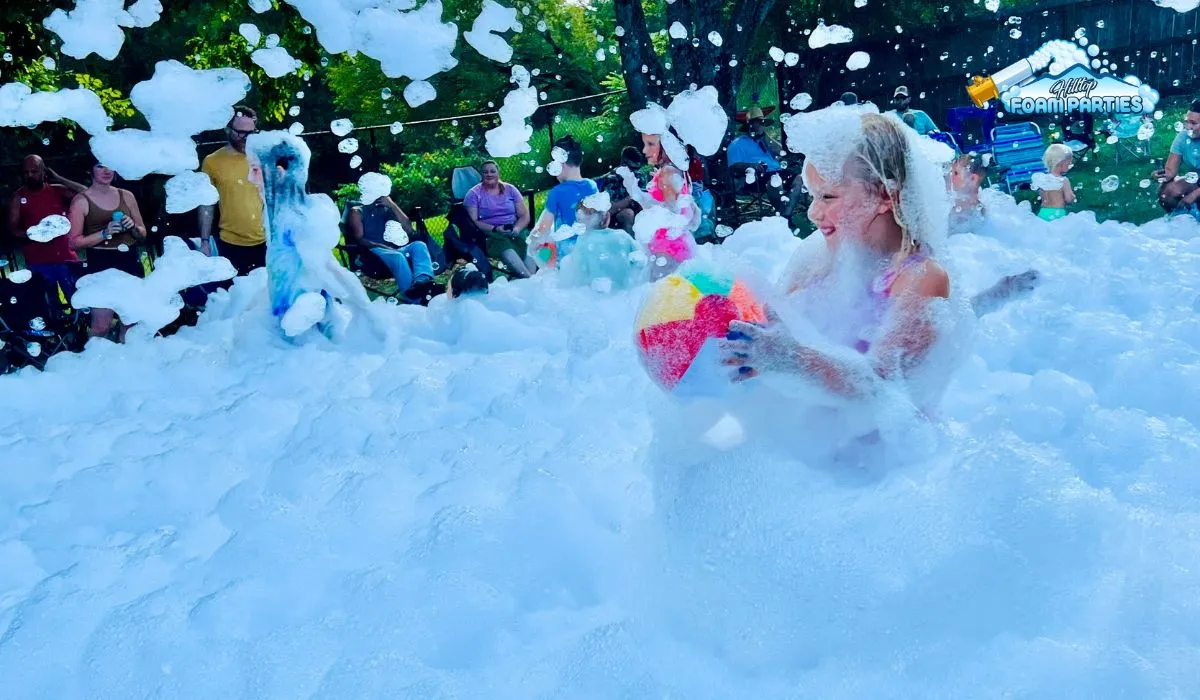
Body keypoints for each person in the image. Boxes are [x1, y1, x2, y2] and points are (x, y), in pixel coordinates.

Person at [718, 110, 954, 405]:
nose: (813, 213)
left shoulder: (921, 277)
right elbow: (774, 321)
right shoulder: (819, 259)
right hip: (806, 428)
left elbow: (882, 389)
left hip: (879, 434)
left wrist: (794, 359)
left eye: (828, 196)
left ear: (884, 196)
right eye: (812, 196)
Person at [66, 160, 149, 341]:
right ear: (91, 170)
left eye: (110, 165)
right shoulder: (81, 201)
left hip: (128, 260)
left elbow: (142, 234)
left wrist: (133, 227)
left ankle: (127, 356)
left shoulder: (126, 196)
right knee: (101, 325)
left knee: (131, 322)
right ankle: (94, 356)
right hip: (100, 263)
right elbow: (73, 242)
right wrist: (104, 233)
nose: (106, 170)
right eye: (100, 166)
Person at [618, 130, 701, 280]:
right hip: (673, 246)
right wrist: (636, 191)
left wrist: (636, 191)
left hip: (668, 249)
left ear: (667, 146)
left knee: (659, 291)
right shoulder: (672, 171)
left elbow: (671, 214)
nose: (644, 150)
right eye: (644, 144)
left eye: (651, 144)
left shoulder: (667, 173)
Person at [199, 105, 267, 276]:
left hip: (266, 242)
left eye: (252, 133)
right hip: (230, 243)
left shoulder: (263, 157)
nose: (247, 138)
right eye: (241, 133)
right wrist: (205, 241)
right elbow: (206, 205)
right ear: (228, 130)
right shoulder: (212, 162)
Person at [7, 155, 86, 300]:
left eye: (34, 171)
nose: (30, 175)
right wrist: (35, 235)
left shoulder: (58, 190)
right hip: (38, 260)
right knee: (47, 306)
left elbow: (86, 194)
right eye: (26, 172)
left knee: (79, 300)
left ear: (44, 171)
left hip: (65, 256)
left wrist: (59, 178)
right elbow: (13, 229)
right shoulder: (18, 198)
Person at [345, 191, 436, 303]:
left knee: (419, 245)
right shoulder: (357, 211)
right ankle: (414, 300)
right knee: (397, 256)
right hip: (373, 254)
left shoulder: (387, 208)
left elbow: (409, 229)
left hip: (395, 249)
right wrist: (382, 246)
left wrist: (392, 205)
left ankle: (421, 283)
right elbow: (359, 239)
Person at [530, 136, 597, 267]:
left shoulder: (557, 192)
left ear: (561, 163)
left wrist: (532, 241)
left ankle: (537, 272)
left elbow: (544, 226)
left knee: (537, 248)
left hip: (567, 254)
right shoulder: (591, 185)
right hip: (590, 249)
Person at [726, 106, 805, 217]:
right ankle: (784, 216)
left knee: (798, 179)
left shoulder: (765, 141)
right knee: (774, 181)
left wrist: (766, 137)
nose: (762, 125)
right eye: (759, 122)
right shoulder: (737, 144)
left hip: (776, 171)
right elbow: (733, 166)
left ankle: (786, 214)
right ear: (750, 124)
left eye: (763, 122)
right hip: (755, 177)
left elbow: (782, 152)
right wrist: (751, 165)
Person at [464, 160, 534, 278]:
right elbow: (474, 221)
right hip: (490, 233)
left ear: (498, 173)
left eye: (492, 171)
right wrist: (495, 229)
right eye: (485, 172)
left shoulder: (510, 189)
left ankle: (532, 277)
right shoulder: (473, 194)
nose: (489, 174)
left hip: (514, 227)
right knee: (502, 243)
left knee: (528, 240)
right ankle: (528, 278)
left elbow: (524, 215)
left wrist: (517, 228)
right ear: (481, 175)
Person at [597, 147, 651, 233]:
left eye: (636, 169)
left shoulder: (638, 175)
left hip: (637, 210)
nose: (634, 172)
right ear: (623, 164)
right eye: (632, 168)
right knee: (628, 214)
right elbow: (609, 210)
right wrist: (631, 198)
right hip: (614, 216)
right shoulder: (612, 179)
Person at [1157, 99, 1200, 182]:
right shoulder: (1183, 136)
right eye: (1187, 122)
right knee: (1167, 188)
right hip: (1196, 179)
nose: (1188, 127)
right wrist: (1161, 174)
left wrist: (1195, 191)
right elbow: (1170, 171)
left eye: (1193, 123)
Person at [1032, 143, 1075, 222]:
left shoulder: (1042, 179)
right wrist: (1073, 196)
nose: (1070, 165)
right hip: (1057, 214)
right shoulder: (1063, 180)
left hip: (1042, 213)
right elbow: (1069, 199)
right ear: (1061, 162)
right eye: (1069, 162)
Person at [948, 153, 988, 234]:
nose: (951, 177)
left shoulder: (978, 212)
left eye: (955, 173)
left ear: (973, 178)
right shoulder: (981, 210)